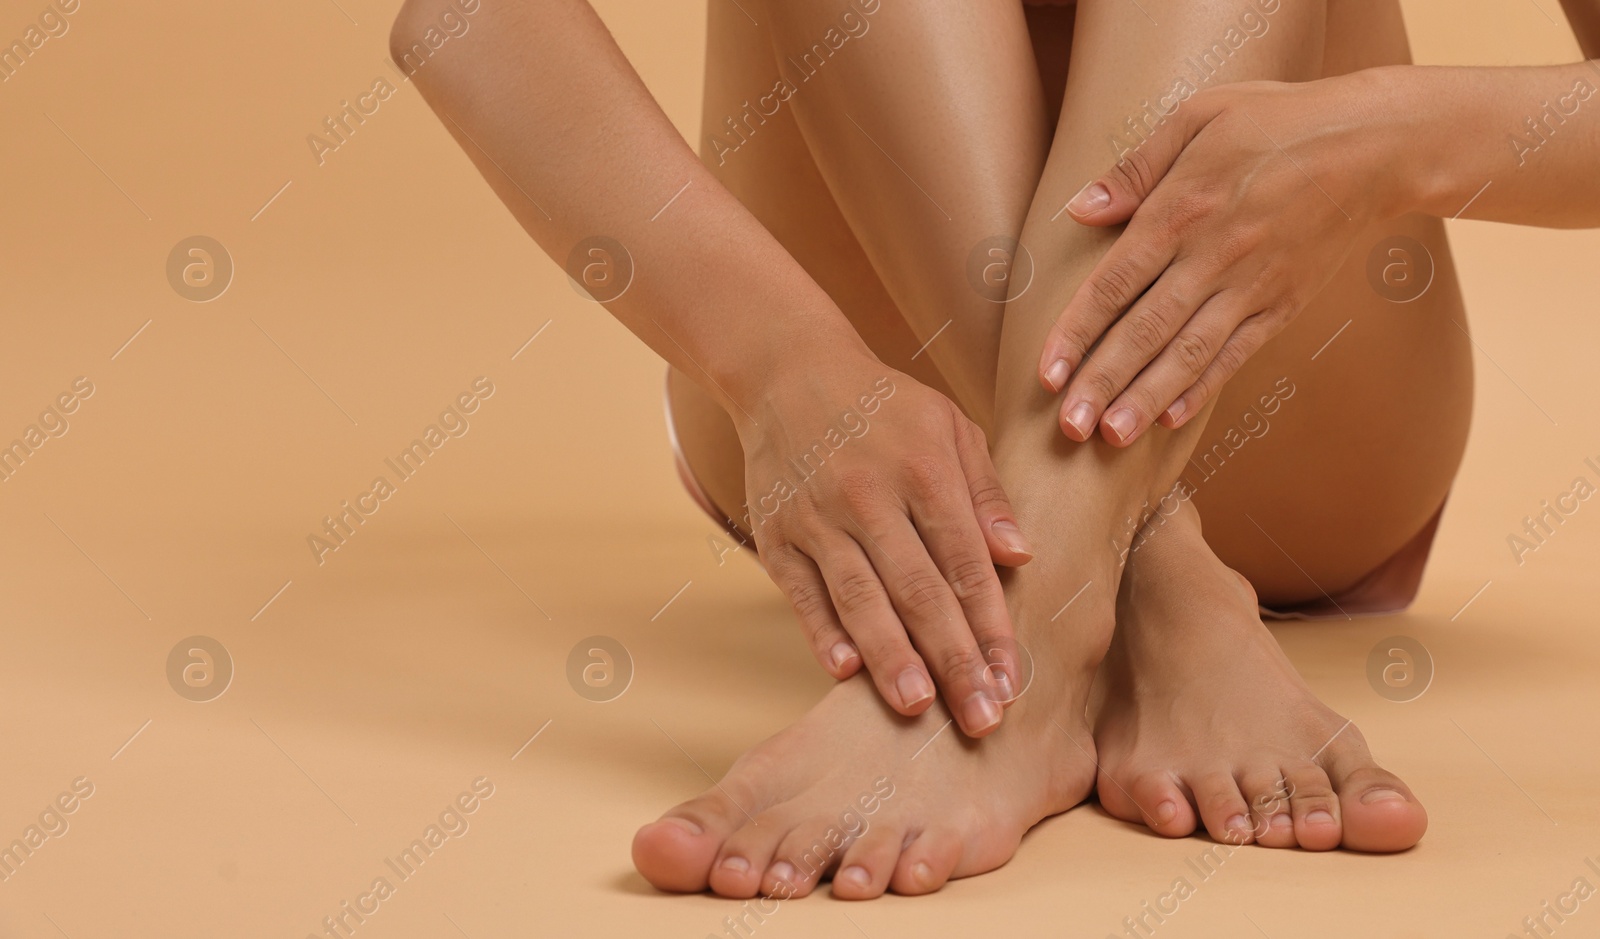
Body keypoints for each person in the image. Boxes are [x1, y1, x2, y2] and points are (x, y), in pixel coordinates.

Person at [390, 0, 1599, 900]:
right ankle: (1119, 584)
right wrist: (775, 362)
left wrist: (1388, 135)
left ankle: (1023, 629)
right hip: (860, 422)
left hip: (1281, 404)